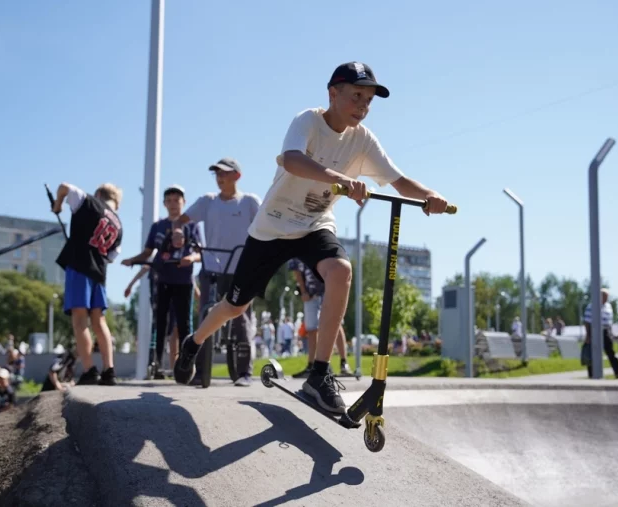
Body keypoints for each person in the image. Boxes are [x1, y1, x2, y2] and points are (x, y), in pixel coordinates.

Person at [173, 62, 449, 413]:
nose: (363, 106)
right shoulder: (308, 121)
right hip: (272, 227)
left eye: (368, 101)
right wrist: (343, 180)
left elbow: (397, 180)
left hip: (315, 224)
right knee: (235, 306)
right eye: (356, 97)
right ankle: (194, 343)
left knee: (340, 271)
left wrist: (429, 195)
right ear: (333, 94)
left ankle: (319, 374)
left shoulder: (363, 140)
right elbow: (291, 160)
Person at [171, 159, 261, 386]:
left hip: (241, 269)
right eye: (217, 174)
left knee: (242, 319)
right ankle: (200, 371)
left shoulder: (249, 202)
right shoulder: (207, 201)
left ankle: (244, 373)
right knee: (205, 317)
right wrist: (179, 232)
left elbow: (264, 227)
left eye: (225, 173)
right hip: (212, 268)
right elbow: (180, 221)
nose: (220, 178)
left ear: (237, 176)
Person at [122, 184, 201, 379]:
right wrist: (133, 260)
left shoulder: (191, 226)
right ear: (165, 203)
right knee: (160, 322)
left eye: (177, 200)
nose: (173, 204)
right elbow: (148, 253)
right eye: (170, 201)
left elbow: (200, 252)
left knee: (184, 324)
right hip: (162, 280)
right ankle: (157, 364)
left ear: (184, 202)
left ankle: (185, 364)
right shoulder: (158, 227)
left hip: (184, 281)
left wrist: (190, 258)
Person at [53, 181, 124, 386]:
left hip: (79, 267)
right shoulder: (119, 226)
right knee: (99, 321)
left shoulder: (90, 202)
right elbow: (111, 256)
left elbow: (64, 187)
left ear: (99, 193)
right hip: (99, 274)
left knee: (80, 319)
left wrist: (57, 205)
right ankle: (109, 369)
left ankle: (89, 369)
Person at [289, 257, 352, 377]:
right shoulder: (297, 242)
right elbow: (296, 270)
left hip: (328, 290)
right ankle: (311, 365)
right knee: (311, 328)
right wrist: (303, 292)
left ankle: (344, 363)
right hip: (310, 292)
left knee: (336, 323)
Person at [583, 288, 618, 379]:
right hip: (594, 331)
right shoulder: (591, 306)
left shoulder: (608, 306)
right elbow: (587, 322)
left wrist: (611, 332)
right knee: (593, 353)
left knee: (611, 351)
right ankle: (592, 374)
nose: (606, 299)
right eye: (604, 296)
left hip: (606, 331)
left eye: (607, 297)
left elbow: (609, 321)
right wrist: (588, 335)